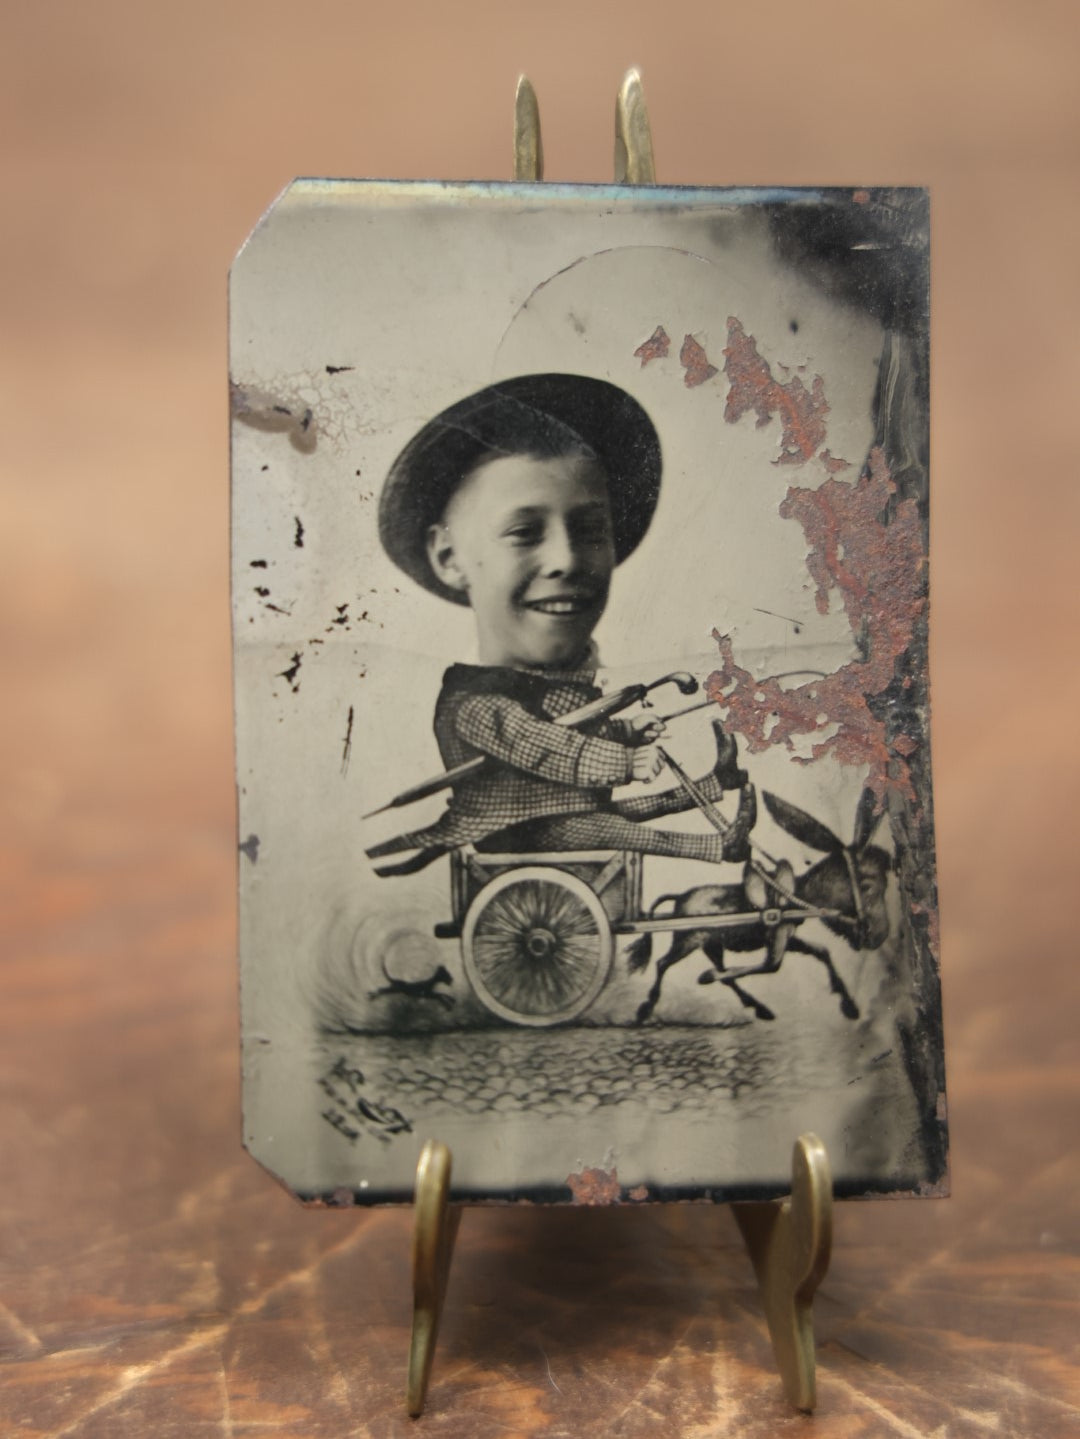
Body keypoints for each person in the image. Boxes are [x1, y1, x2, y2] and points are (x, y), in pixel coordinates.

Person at [365, 373, 755, 877]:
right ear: (448, 557)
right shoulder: (476, 704)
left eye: (591, 531)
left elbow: (578, 728)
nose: (566, 560)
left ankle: (712, 786)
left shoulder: (559, 692)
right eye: (525, 532)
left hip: (564, 809)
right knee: (618, 829)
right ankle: (716, 847)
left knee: (618, 813)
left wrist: (628, 730)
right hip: (513, 831)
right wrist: (626, 764)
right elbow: (552, 748)